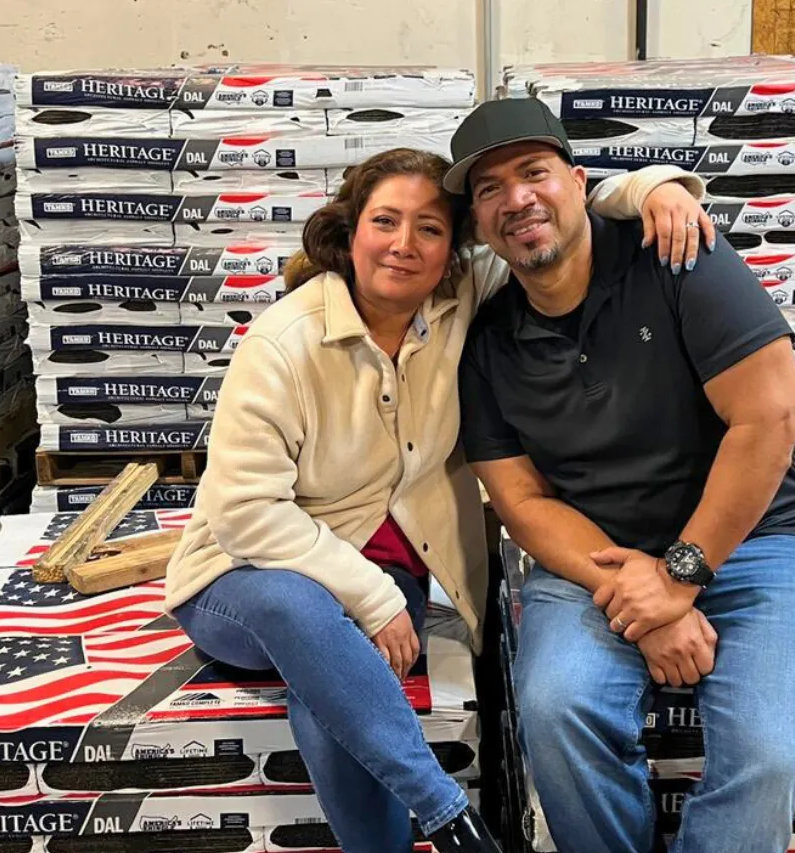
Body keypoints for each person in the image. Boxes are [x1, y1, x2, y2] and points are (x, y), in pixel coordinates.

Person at [163, 141, 711, 853]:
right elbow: (244, 513)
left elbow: (544, 218)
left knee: (326, 682)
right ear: (349, 231)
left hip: (384, 575)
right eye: (385, 222)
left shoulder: (459, 298)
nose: (404, 244)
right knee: (296, 603)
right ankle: (451, 816)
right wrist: (374, 596)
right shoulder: (281, 344)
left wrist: (655, 189)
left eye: (429, 228)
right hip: (239, 580)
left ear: (454, 248)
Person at [452, 98, 795, 853]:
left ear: (578, 181)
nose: (517, 200)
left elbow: (770, 421)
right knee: (556, 707)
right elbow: (522, 500)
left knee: (766, 755)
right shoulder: (487, 343)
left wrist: (680, 575)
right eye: (490, 189)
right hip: (595, 561)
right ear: (477, 222)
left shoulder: (678, 255)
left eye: (533, 173)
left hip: (760, 542)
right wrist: (648, 596)